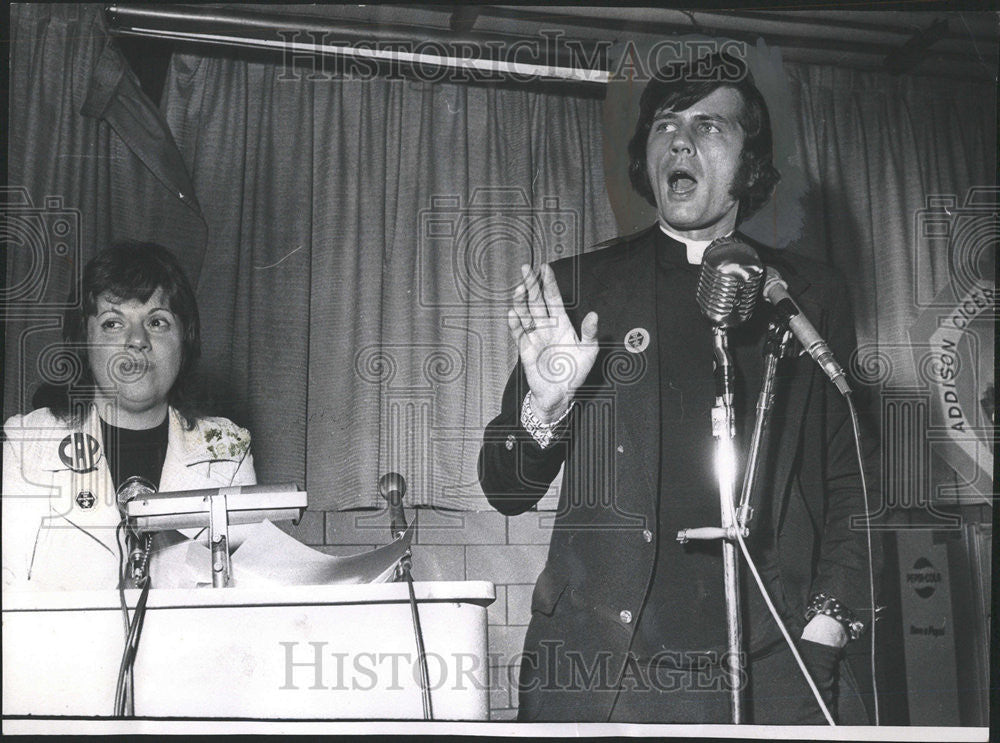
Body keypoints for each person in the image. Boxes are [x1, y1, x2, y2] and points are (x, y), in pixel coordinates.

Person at [479, 53, 881, 724]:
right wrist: (544, 406)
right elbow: (505, 486)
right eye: (666, 124)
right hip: (605, 667)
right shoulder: (582, 289)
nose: (681, 140)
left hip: (775, 661)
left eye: (710, 125)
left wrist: (828, 624)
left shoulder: (811, 294)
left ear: (751, 163)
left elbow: (852, 477)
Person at [2, 242, 256, 591]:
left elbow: (245, 607)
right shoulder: (25, 446)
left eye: (157, 321)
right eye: (112, 323)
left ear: (185, 339)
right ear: (82, 339)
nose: (137, 340)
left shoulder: (227, 450)